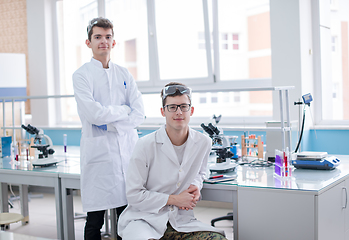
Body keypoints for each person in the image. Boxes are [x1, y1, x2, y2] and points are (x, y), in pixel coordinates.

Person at [118, 82, 227, 240]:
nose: (179, 112)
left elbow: (202, 171)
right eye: (172, 107)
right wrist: (174, 199)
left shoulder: (204, 142)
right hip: (144, 220)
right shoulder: (145, 145)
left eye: (184, 106)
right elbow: (134, 195)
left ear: (192, 110)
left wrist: (196, 185)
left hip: (181, 221)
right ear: (163, 111)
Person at [72, 17, 145, 240]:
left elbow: (139, 113)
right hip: (99, 157)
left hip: (127, 155)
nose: (103, 41)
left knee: (128, 219)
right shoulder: (82, 75)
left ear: (114, 42)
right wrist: (123, 112)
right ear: (88, 42)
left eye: (108, 37)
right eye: (98, 37)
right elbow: (93, 114)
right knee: (95, 221)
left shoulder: (124, 74)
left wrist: (110, 120)